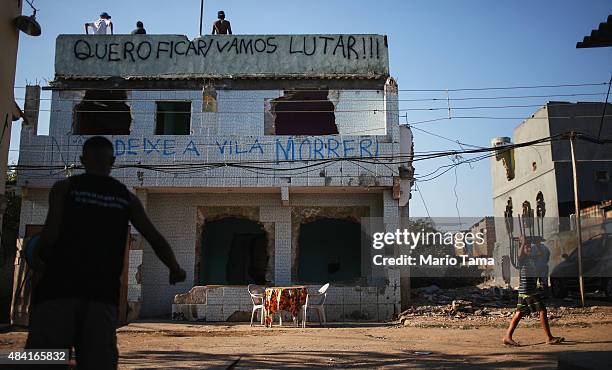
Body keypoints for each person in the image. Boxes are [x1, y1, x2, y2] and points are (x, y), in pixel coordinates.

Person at [25, 136, 186, 369]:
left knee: (42, 360)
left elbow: (49, 236)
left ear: (82, 160)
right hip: (100, 295)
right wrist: (174, 268)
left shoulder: (64, 188)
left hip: (57, 290)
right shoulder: (125, 198)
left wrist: (36, 256)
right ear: (112, 161)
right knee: (98, 361)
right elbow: (154, 238)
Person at [503, 235, 563, 346]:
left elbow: (541, 254)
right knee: (542, 310)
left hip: (526, 290)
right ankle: (549, 338)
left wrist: (538, 243)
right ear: (522, 248)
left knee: (519, 314)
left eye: (530, 247)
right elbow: (520, 254)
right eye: (527, 247)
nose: (529, 248)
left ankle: (507, 337)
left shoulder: (531, 258)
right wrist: (523, 242)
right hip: (528, 290)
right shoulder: (522, 260)